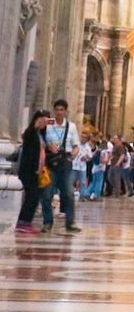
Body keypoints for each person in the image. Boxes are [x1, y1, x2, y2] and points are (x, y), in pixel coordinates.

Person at [43, 99, 82, 233]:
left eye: (61, 110)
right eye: (57, 109)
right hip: (51, 162)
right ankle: (47, 222)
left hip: (65, 163)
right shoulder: (48, 124)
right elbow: (39, 139)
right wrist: (48, 145)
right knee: (47, 194)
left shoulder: (71, 127)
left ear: (65, 111)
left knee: (69, 193)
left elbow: (77, 146)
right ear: (54, 111)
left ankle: (70, 222)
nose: (59, 112)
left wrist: (72, 156)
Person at [15, 110, 50, 235]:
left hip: (37, 171)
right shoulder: (30, 133)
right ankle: (22, 223)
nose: (45, 124)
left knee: (34, 198)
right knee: (32, 196)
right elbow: (30, 152)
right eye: (44, 121)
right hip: (29, 170)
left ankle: (26, 222)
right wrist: (35, 166)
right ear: (38, 119)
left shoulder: (39, 134)